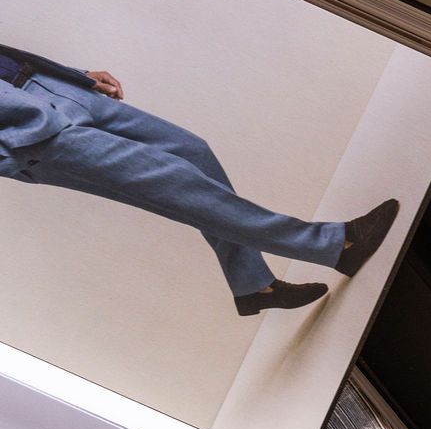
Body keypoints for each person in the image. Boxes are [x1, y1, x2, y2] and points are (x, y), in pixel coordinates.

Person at [0, 42, 398, 316]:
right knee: (177, 183)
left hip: (46, 85)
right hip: (30, 134)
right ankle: (337, 244)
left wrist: (73, 75)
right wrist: (12, 150)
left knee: (192, 151)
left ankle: (253, 285)